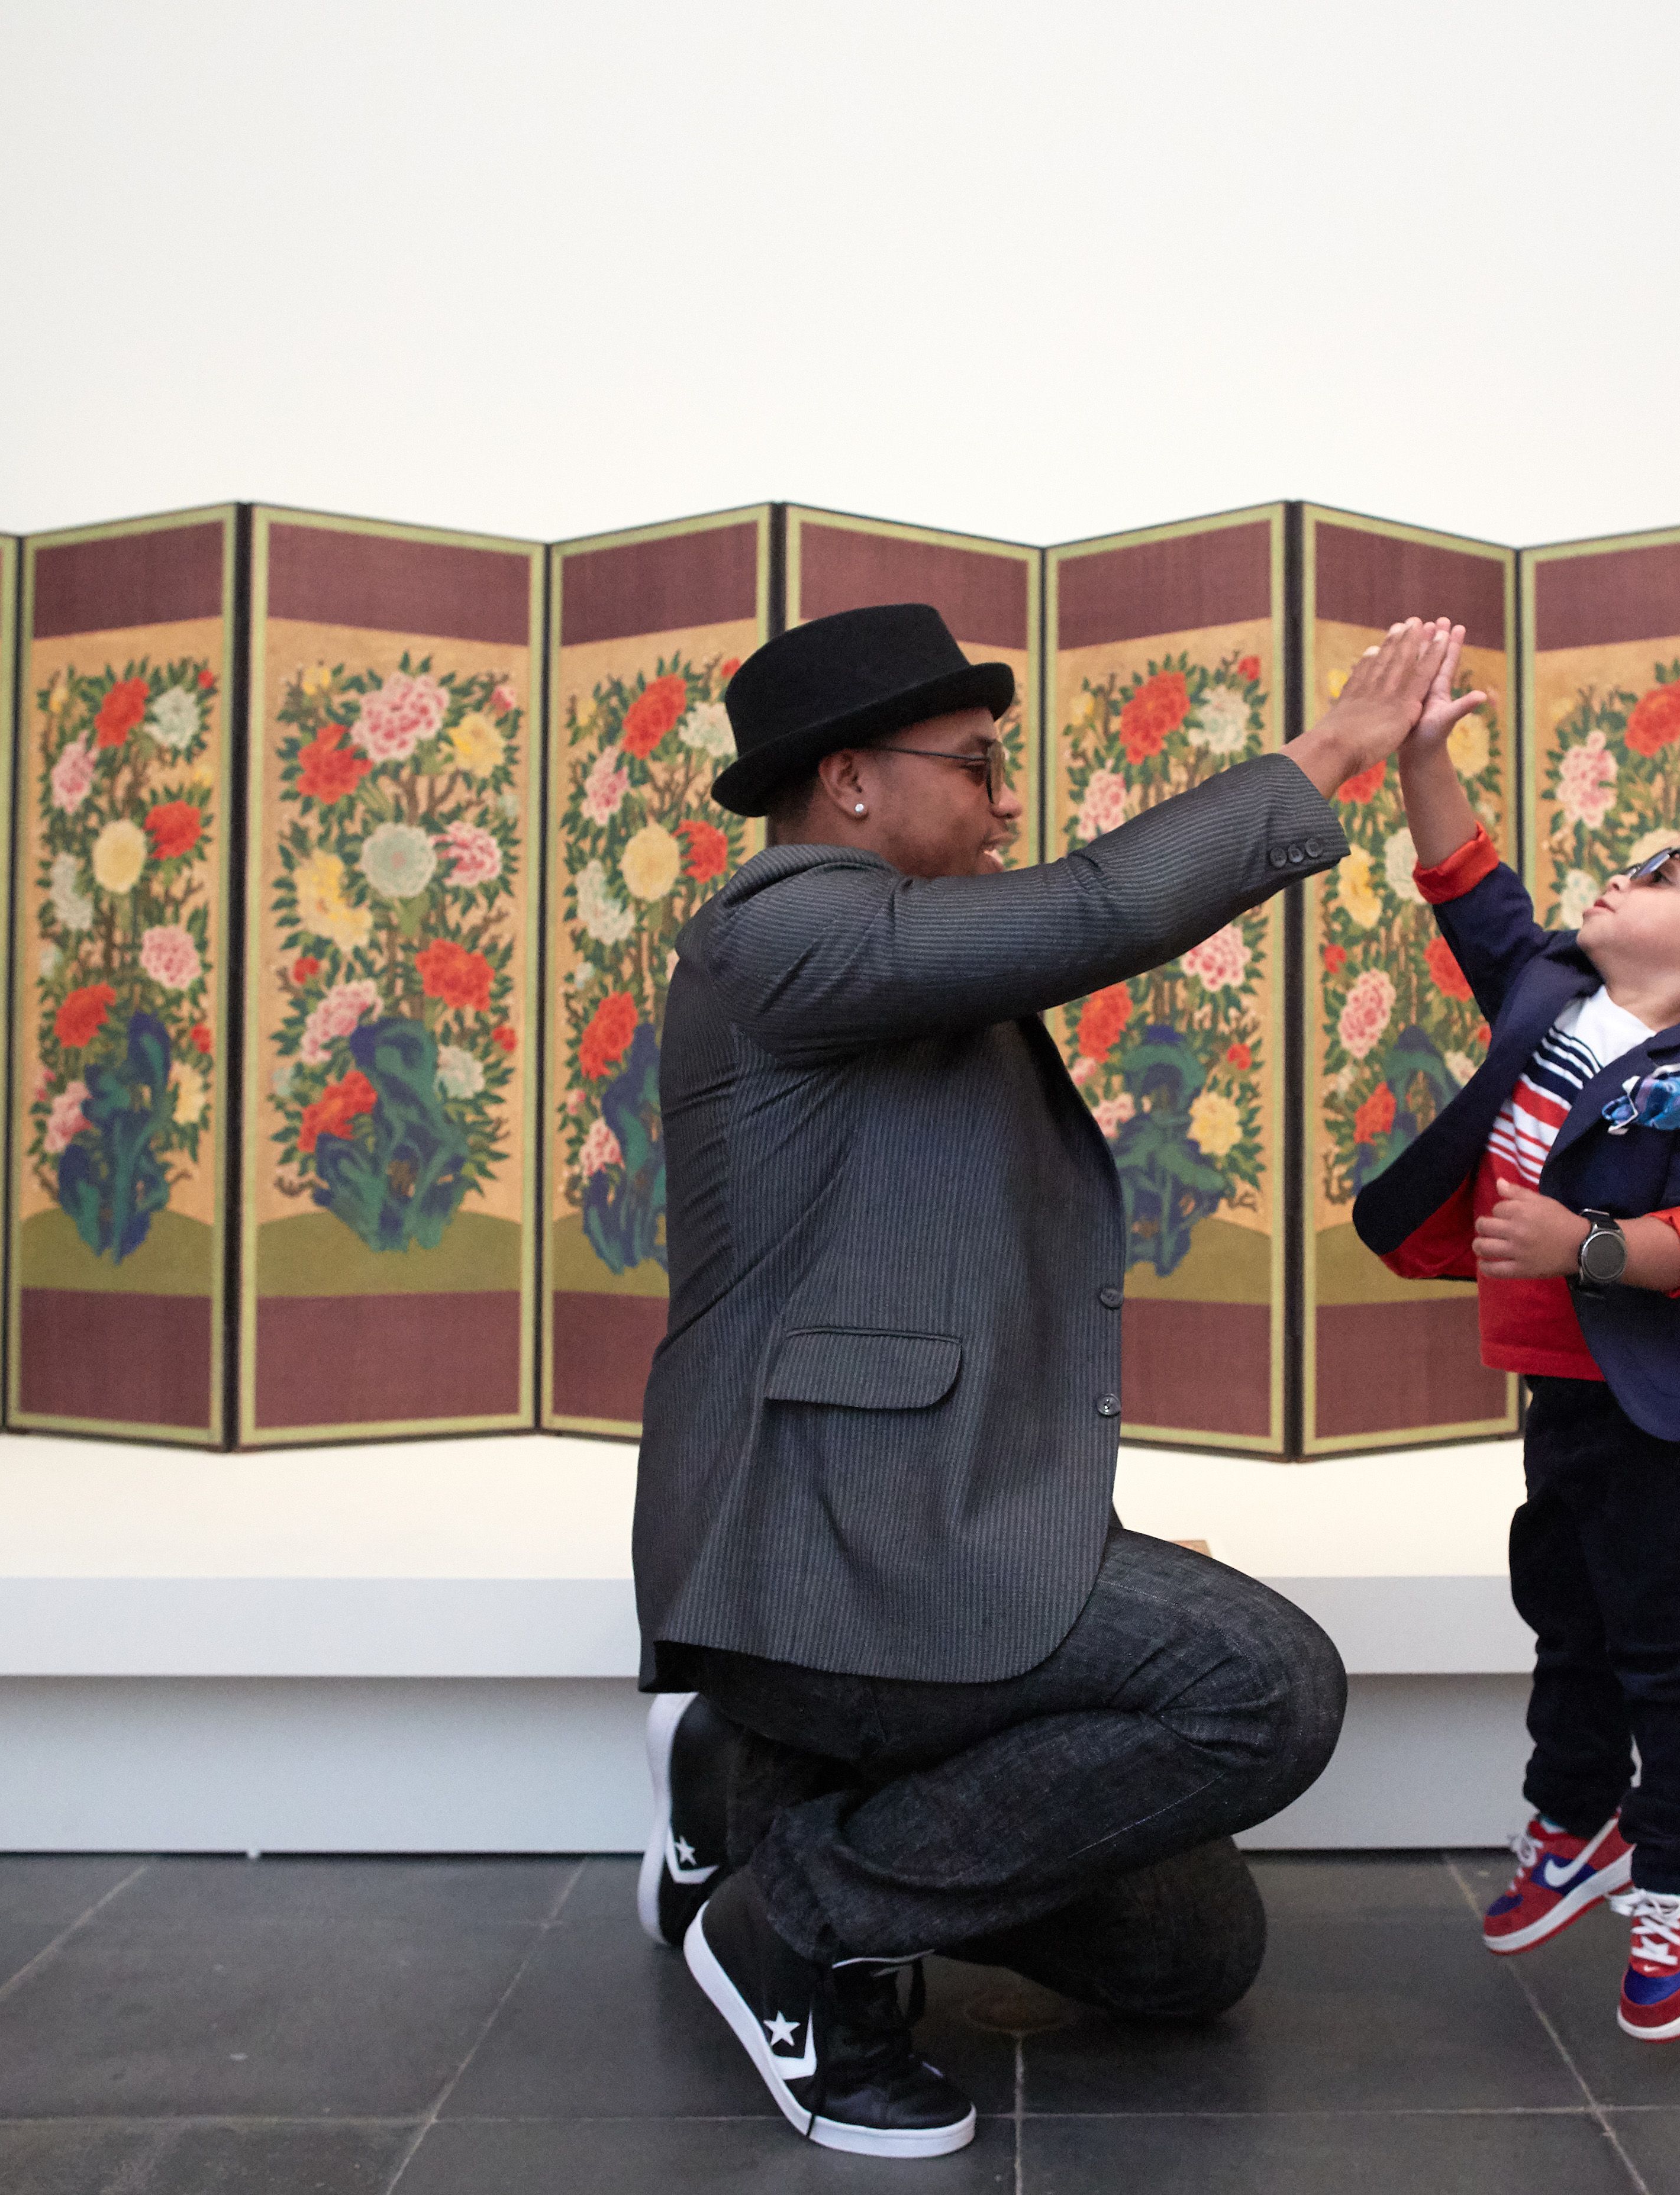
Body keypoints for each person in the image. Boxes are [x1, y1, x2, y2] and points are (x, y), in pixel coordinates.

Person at [630, 601, 1469, 2157]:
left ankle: (747, 1772)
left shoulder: (901, 965)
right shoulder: (781, 926)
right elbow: (1095, 907)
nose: (1006, 797)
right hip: (822, 1551)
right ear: (852, 782)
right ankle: (786, 1920)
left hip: (929, 1535)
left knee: (1189, 1949)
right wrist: (1332, 750)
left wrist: (1076, 1531)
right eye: (976, 764)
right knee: (1262, 1683)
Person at [1350, 647, 1680, 2042]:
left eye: (1668, 870)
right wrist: (1421, 756)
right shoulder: (1547, 994)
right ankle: (1575, 1822)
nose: (1625, 870)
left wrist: (1580, 1247)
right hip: (1563, 1398)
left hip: (1660, 1415)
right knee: (1562, 1617)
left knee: (1665, 1641)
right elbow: (1468, 887)